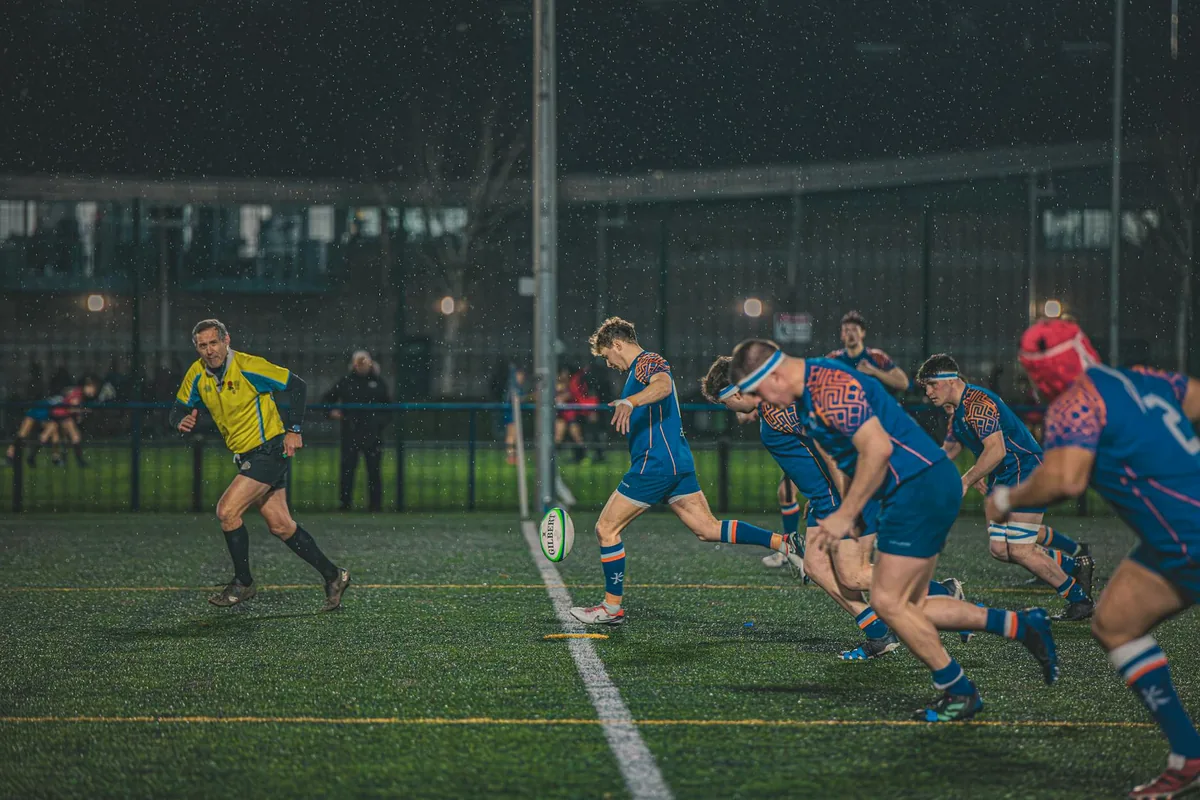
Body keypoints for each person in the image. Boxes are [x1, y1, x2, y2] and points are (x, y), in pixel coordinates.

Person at [728, 339, 1058, 721]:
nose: (759, 400)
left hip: (920, 486)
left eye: (757, 390)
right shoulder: (806, 396)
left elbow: (877, 449)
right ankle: (1021, 626)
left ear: (775, 374)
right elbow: (844, 457)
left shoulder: (828, 386)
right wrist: (843, 509)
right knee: (906, 604)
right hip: (911, 488)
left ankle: (961, 689)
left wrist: (845, 513)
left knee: (887, 601)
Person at [986, 318, 1200, 798]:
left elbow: (1065, 479)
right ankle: (1188, 753)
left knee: (1117, 626)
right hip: (1172, 544)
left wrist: (1006, 499)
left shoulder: (1073, 403)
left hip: (1186, 540)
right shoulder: (1137, 378)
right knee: (1114, 622)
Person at [702, 355, 968, 661]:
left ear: (735, 394)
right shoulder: (773, 406)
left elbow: (830, 448)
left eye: (725, 404)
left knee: (852, 576)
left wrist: (848, 506)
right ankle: (879, 633)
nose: (729, 411)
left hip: (840, 497)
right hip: (825, 499)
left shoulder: (776, 410)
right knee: (817, 568)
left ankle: (942, 594)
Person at [568, 318, 802, 626]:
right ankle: (785, 543)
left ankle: (611, 609)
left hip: (656, 464)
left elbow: (663, 386)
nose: (608, 363)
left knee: (606, 529)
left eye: (606, 354)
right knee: (707, 528)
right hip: (676, 463)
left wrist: (629, 400)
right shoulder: (637, 370)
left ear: (617, 344)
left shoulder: (647, 361)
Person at [168, 318, 350, 610]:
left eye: (214, 342)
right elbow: (177, 408)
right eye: (202, 345)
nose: (209, 350)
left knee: (227, 511)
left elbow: (297, 386)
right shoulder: (197, 374)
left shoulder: (250, 366)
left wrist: (295, 430)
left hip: (269, 451)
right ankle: (334, 575)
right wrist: (180, 420)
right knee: (281, 526)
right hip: (247, 457)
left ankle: (244, 582)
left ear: (227, 341)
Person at [916, 353, 1096, 621]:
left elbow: (997, 451)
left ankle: (1079, 600)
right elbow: (949, 450)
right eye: (926, 386)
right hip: (1005, 475)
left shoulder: (978, 404)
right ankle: (1074, 565)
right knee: (1000, 549)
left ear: (951, 380)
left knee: (1022, 549)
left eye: (931, 384)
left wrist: (967, 479)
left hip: (1026, 469)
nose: (928, 392)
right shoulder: (958, 415)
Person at [322, 350, 391, 512]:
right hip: (350, 432)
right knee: (347, 469)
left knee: (374, 470)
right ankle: (345, 503)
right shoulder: (346, 382)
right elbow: (327, 399)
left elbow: (388, 407)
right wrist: (330, 412)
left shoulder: (378, 383)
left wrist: (378, 423)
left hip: (372, 434)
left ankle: (375, 505)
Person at [5, 377, 99, 468]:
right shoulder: (77, 394)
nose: (92, 391)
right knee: (25, 433)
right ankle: (16, 455)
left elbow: (69, 404)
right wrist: (83, 411)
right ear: (86, 386)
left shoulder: (76, 393)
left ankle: (46, 458)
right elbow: (71, 407)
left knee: (48, 434)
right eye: (91, 388)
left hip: (49, 410)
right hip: (47, 410)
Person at [827, 310, 910, 393]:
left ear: (862, 333)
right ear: (842, 335)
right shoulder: (833, 359)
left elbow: (904, 383)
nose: (850, 333)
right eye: (846, 330)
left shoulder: (877, 357)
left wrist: (874, 371)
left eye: (854, 330)